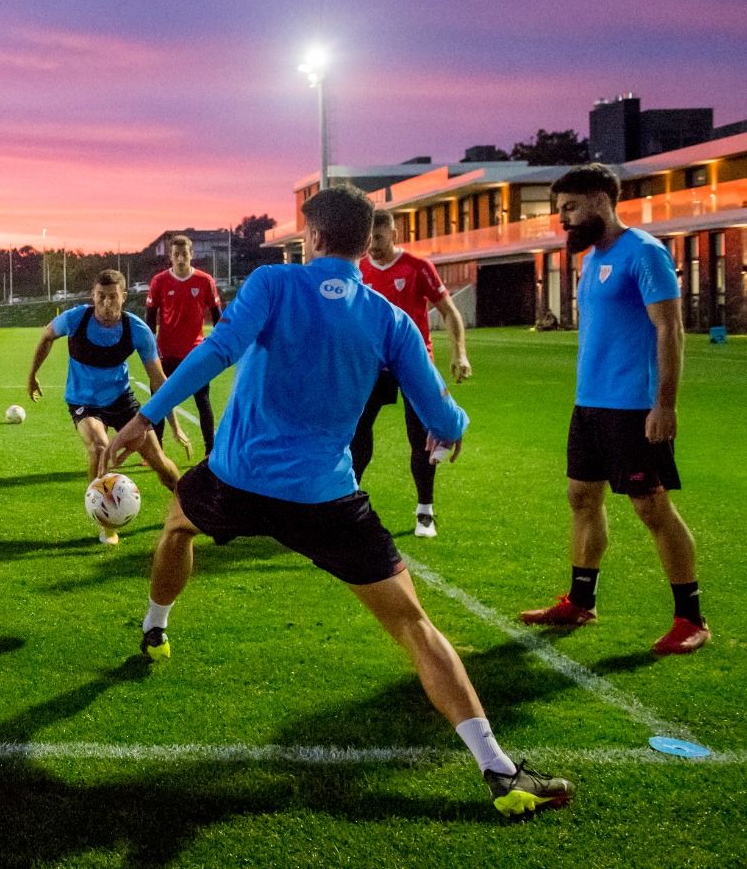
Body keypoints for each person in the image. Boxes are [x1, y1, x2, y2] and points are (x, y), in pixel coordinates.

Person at [107, 186, 572, 817]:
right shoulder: (391, 319)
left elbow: (217, 351)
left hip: (235, 479)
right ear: (362, 243)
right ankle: (498, 770)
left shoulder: (273, 284)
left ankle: (155, 628)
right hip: (327, 498)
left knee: (176, 527)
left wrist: (146, 417)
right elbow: (438, 412)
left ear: (315, 238)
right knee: (414, 625)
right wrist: (455, 425)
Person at [519, 164, 709, 655]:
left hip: (633, 408)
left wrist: (663, 406)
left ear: (601, 200)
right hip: (590, 406)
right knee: (582, 496)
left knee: (651, 507)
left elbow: (671, 330)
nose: (563, 219)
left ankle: (691, 618)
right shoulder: (592, 259)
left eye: (569, 207)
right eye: (559, 210)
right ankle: (581, 602)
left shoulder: (644, 253)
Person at [28, 269, 185, 545]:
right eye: (101, 296)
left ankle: (191, 507)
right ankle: (106, 524)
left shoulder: (137, 330)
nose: (106, 303)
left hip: (121, 400)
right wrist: (32, 376)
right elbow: (46, 336)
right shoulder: (76, 318)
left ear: (124, 297)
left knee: (159, 462)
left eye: (113, 297)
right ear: (93, 295)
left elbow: (160, 382)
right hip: (83, 401)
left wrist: (175, 426)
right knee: (99, 447)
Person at [351, 210, 472, 538]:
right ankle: (345, 505)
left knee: (421, 441)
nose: (371, 245)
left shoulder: (418, 267)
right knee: (355, 436)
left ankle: (425, 512)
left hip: (414, 365)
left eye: (377, 237)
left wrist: (459, 353)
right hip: (373, 367)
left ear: (393, 234)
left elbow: (449, 311)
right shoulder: (358, 270)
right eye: (367, 238)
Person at [145, 234, 222, 457]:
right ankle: (156, 452)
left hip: (195, 353)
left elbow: (218, 316)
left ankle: (210, 452)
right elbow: (150, 317)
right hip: (166, 353)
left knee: (203, 400)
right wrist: (152, 350)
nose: (180, 259)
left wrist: (216, 345)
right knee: (158, 401)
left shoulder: (205, 280)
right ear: (170, 256)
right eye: (176, 254)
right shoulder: (159, 281)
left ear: (192, 254)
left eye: (184, 254)